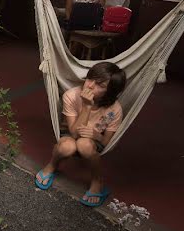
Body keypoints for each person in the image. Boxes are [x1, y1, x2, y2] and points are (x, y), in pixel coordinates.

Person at [34, 61, 126, 207]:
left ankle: (97, 180)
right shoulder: (71, 95)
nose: (90, 86)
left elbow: (106, 142)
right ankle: (52, 165)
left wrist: (96, 135)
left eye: (100, 85)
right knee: (67, 147)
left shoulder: (115, 109)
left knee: (84, 144)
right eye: (90, 79)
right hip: (71, 132)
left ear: (110, 92)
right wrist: (87, 106)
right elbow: (74, 133)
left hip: (92, 142)